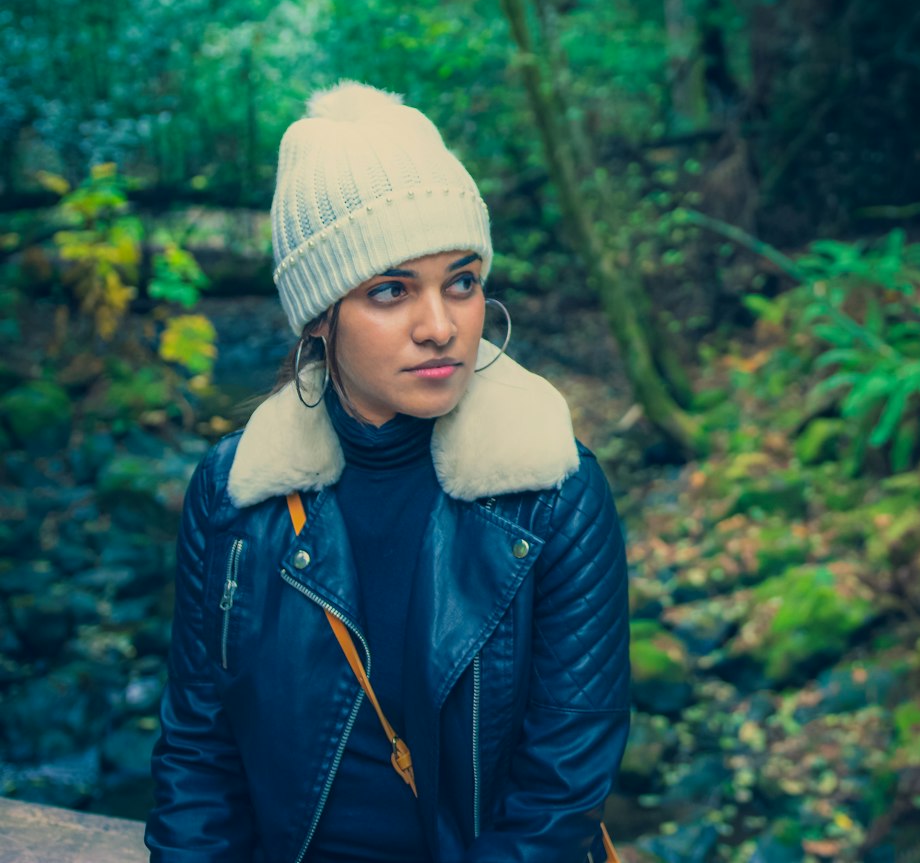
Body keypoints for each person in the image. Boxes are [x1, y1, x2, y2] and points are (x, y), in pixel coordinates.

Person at [145, 82, 631, 863]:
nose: (440, 326)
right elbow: (200, 758)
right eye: (391, 290)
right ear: (318, 314)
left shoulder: (555, 493)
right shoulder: (236, 494)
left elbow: (558, 796)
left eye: (462, 281)